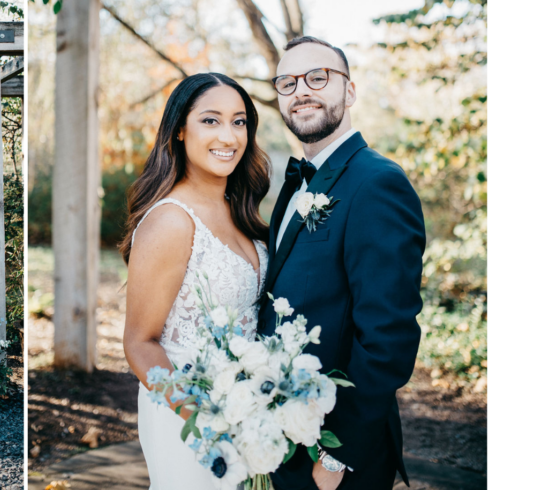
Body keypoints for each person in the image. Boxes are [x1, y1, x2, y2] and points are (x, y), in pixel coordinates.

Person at [259, 36, 424, 490]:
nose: (301, 91)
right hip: (283, 438)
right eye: (287, 83)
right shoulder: (295, 186)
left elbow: (389, 336)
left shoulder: (378, 183)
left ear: (349, 92)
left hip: (337, 453)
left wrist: (336, 457)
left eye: (318, 77)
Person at [121, 73, 272, 488]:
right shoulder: (171, 220)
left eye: (239, 122)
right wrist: (204, 421)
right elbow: (139, 343)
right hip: (187, 418)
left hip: (246, 412)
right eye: (211, 120)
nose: (229, 135)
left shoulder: (241, 211)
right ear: (180, 131)